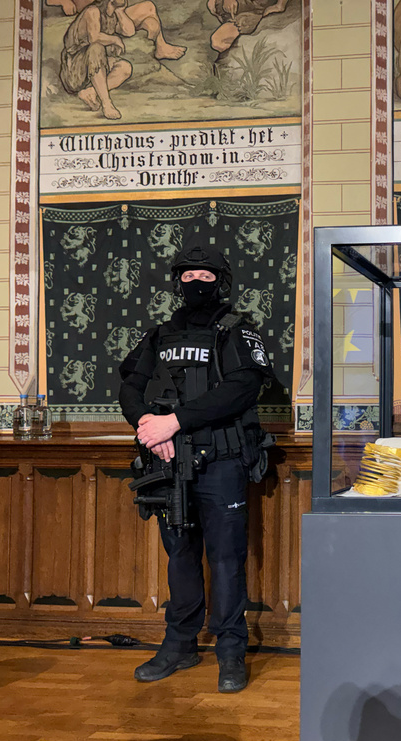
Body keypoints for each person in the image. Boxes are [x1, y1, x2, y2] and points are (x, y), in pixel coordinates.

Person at [119, 247, 274, 693]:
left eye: (205, 274)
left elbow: (244, 389)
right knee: (181, 556)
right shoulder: (159, 335)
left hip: (222, 462)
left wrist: (177, 421)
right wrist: (151, 429)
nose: (196, 282)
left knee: (226, 560)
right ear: (177, 282)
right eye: (188, 275)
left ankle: (230, 651)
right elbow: (130, 385)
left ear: (220, 282)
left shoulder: (238, 331)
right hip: (167, 462)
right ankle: (180, 644)